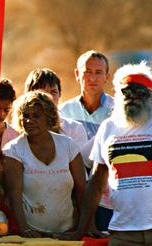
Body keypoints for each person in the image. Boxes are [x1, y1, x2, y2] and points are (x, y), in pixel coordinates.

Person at [66, 63, 152, 246]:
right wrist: (82, 227)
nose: (132, 97)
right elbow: (97, 180)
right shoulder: (108, 128)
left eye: (139, 93)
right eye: (126, 92)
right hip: (121, 232)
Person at [3, 91, 86, 237]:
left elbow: (81, 190)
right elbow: (14, 194)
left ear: (49, 117)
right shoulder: (13, 149)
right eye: (26, 116)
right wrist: (25, 230)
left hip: (68, 231)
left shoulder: (68, 145)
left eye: (36, 116)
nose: (29, 121)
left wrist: (84, 228)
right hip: (31, 233)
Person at [59, 50, 115, 231]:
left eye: (98, 73)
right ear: (77, 74)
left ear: (107, 77)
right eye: (87, 71)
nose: (92, 78)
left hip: (110, 194)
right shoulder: (63, 112)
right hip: (73, 192)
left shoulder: (119, 111)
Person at [1, 68, 88, 150]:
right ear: (28, 96)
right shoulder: (12, 133)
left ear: (60, 95)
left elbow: (81, 163)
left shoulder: (74, 129)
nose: (49, 98)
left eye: (53, 92)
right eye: (41, 93)